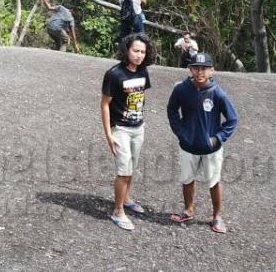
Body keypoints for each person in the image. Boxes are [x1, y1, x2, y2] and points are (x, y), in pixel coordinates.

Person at [166, 52, 238, 233]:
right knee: (187, 179)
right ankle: (188, 210)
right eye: (196, 68)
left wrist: (218, 138)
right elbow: (172, 110)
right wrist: (180, 132)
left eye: (205, 68)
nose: (200, 72)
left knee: (213, 181)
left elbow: (232, 119)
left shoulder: (217, 93)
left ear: (212, 71)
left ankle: (217, 216)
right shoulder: (181, 89)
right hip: (187, 145)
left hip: (211, 149)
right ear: (190, 69)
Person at [99, 32, 155, 231]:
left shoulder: (143, 71)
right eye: (135, 51)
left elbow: (139, 97)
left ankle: (127, 198)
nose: (139, 55)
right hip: (120, 128)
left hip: (138, 127)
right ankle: (118, 210)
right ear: (126, 50)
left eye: (142, 51)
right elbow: (105, 105)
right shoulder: (114, 74)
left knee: (132, 168)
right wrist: (109, 135)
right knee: (124, 171)